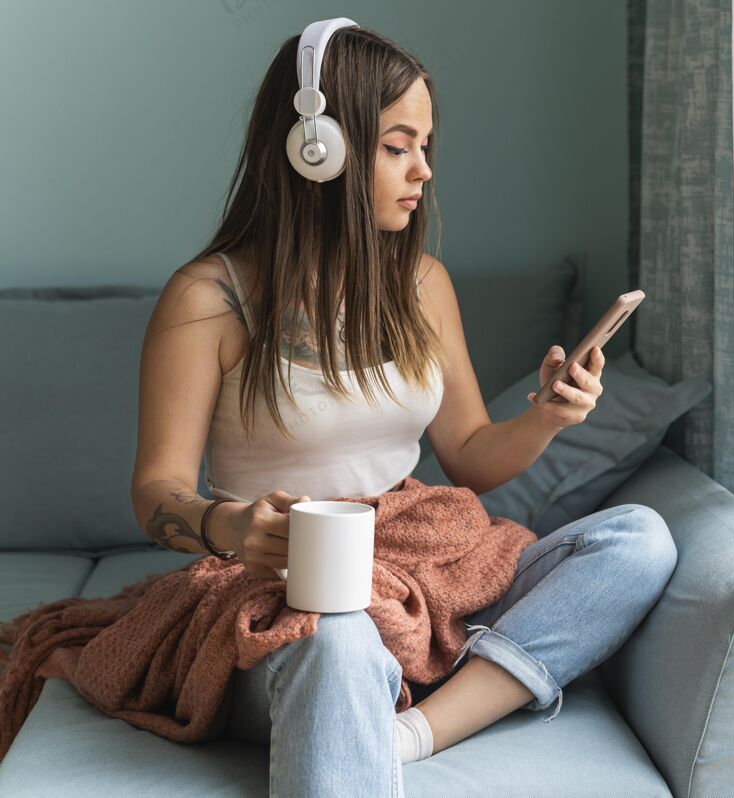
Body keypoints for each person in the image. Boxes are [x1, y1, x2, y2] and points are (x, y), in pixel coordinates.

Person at [127, 19, 676, 798]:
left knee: (639, 541)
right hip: (276, 585)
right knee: (341, 633)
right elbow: (155, 494)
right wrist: (228, 526)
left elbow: (470, 454)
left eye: (426, 147)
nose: (422, 169)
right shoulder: (207, 299)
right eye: (397, 145)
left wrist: (547, 416)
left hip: (420, 559)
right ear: (317, 146)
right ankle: (360, 700)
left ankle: (411, 733)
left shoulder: (423, 284)